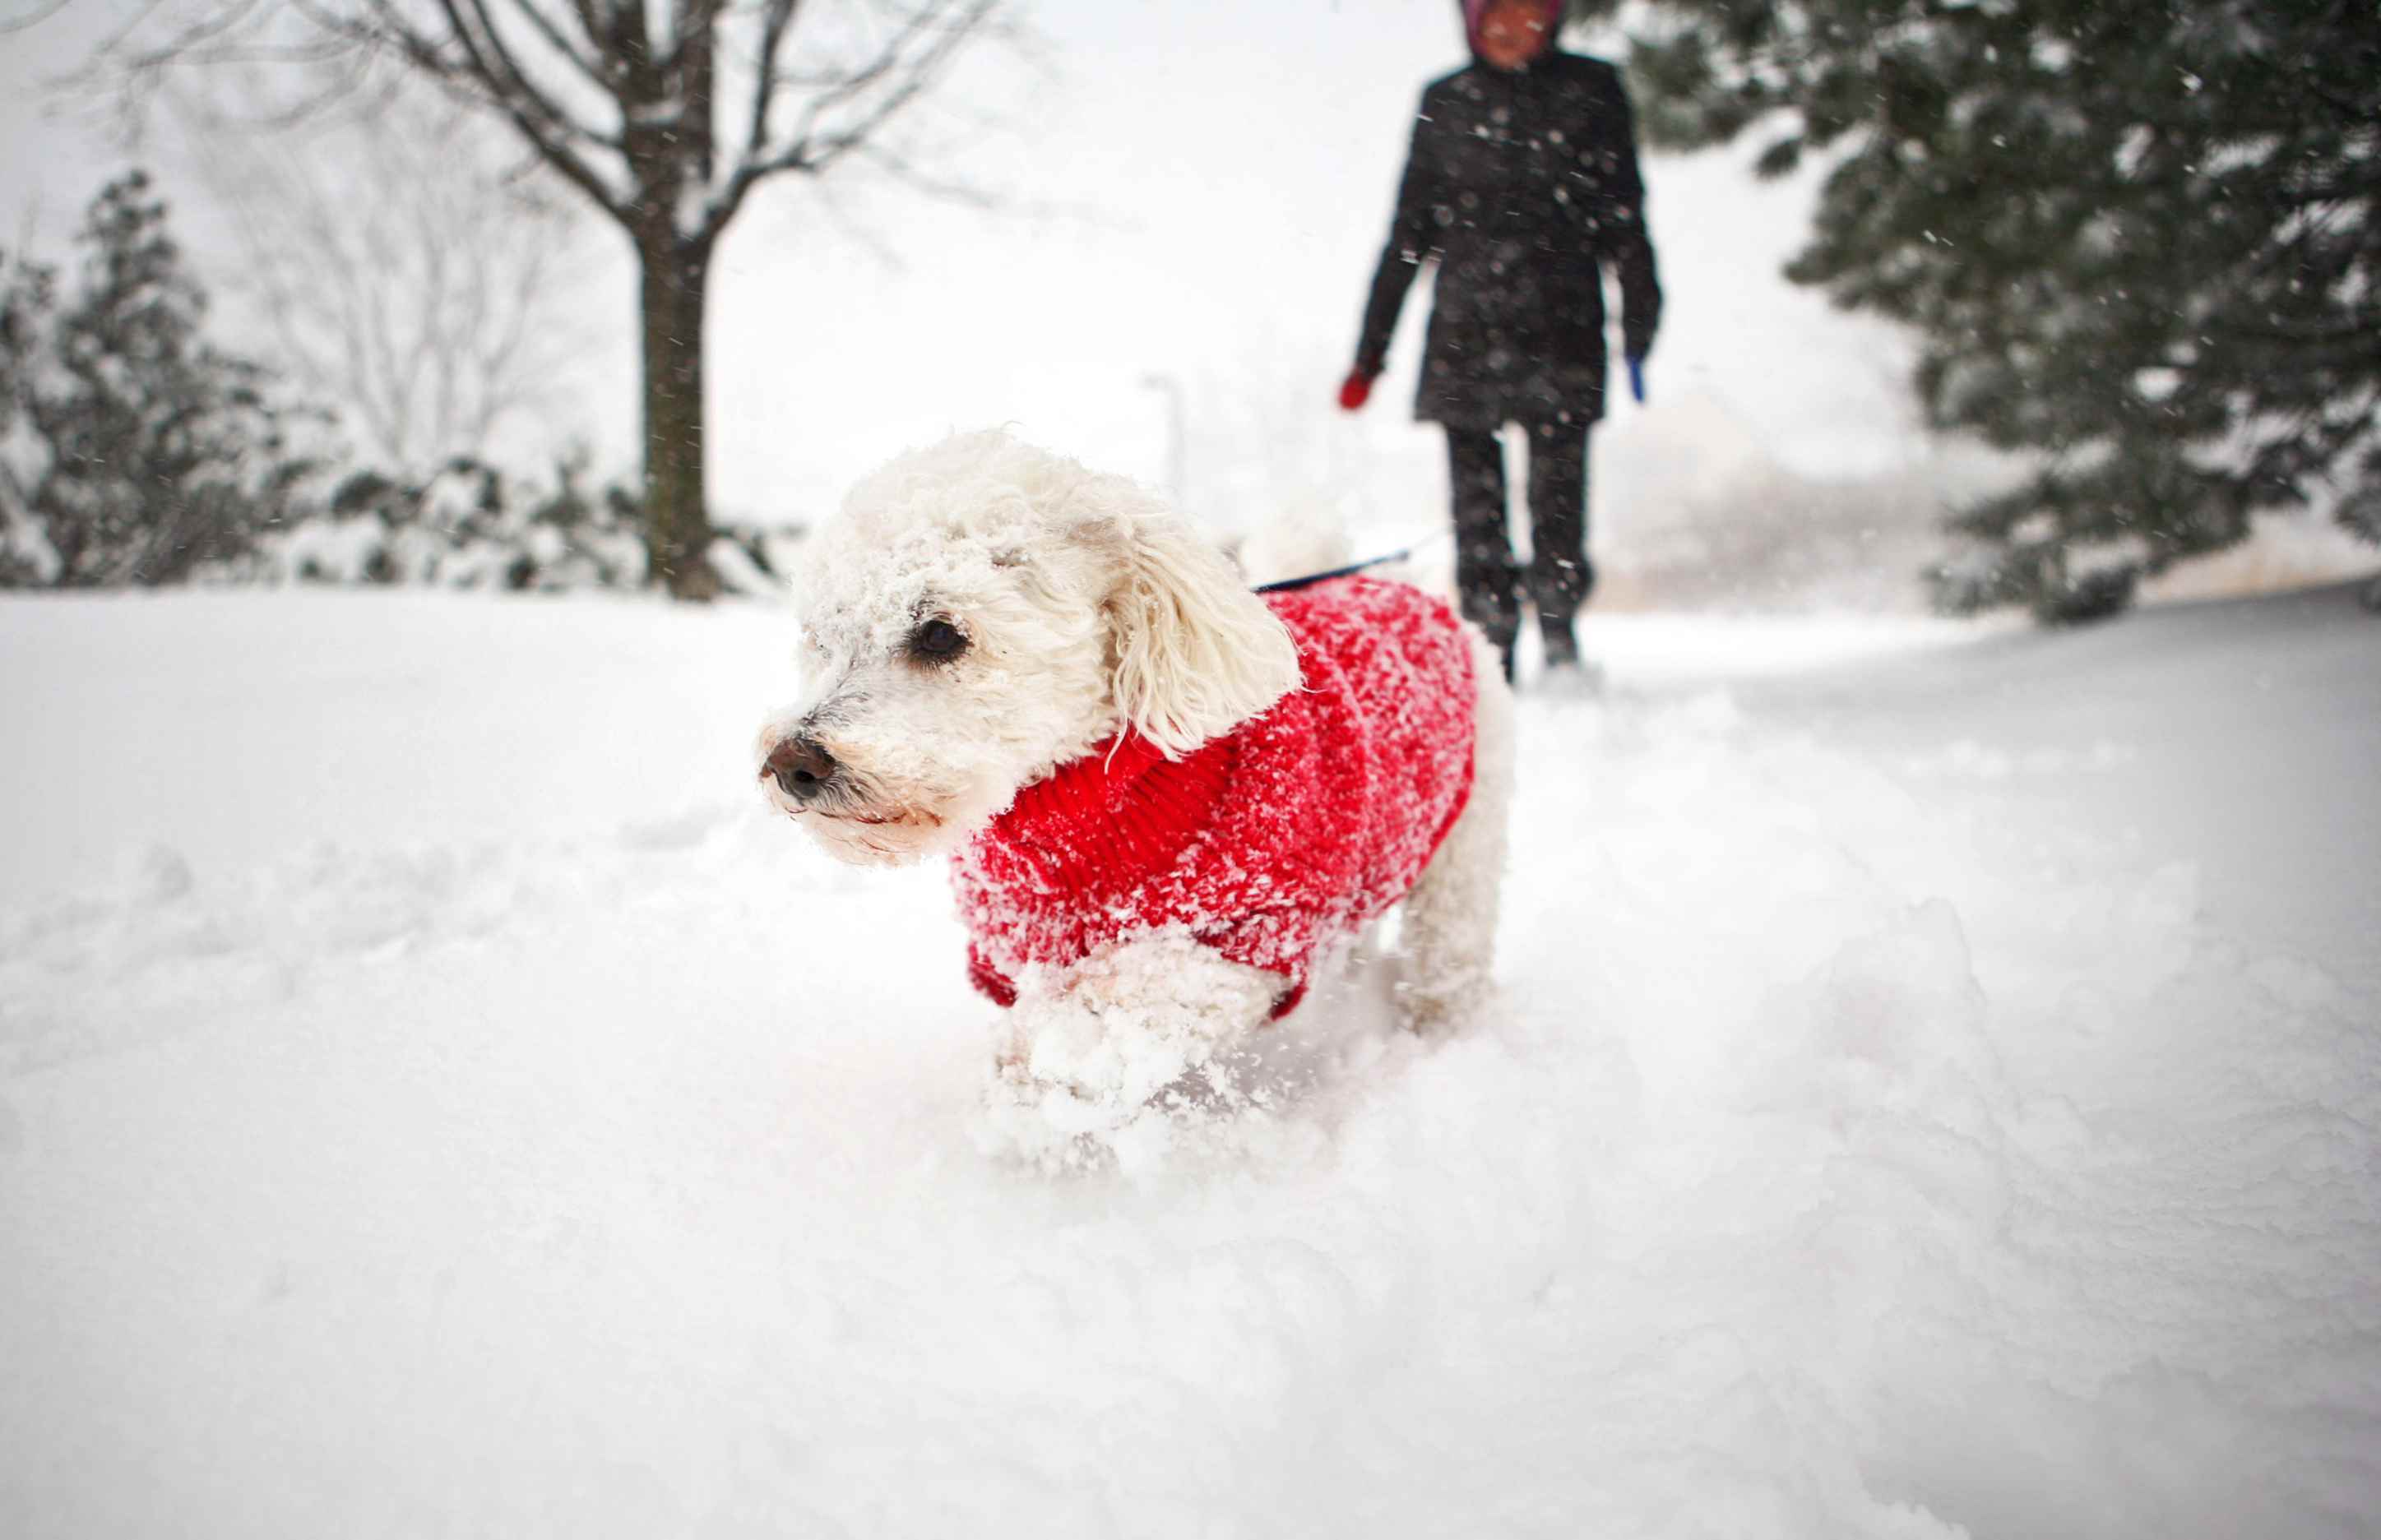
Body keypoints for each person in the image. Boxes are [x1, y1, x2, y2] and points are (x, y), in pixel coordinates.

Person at [1341, 0, 1661, 685]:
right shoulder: (1447, 101)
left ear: (1552, 19)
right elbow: (1407, 235)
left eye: (1523, 15)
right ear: (1469, 22)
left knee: (1558, 495)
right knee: (1475, 506)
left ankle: (1560, 633)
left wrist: (1638, 324)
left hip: (1563, 327)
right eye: (1491, 17)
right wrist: (1370, 355)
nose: (1506, 31)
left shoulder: (1590, 91)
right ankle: (1491, 652)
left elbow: (1624, 220)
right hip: (1465, 331)